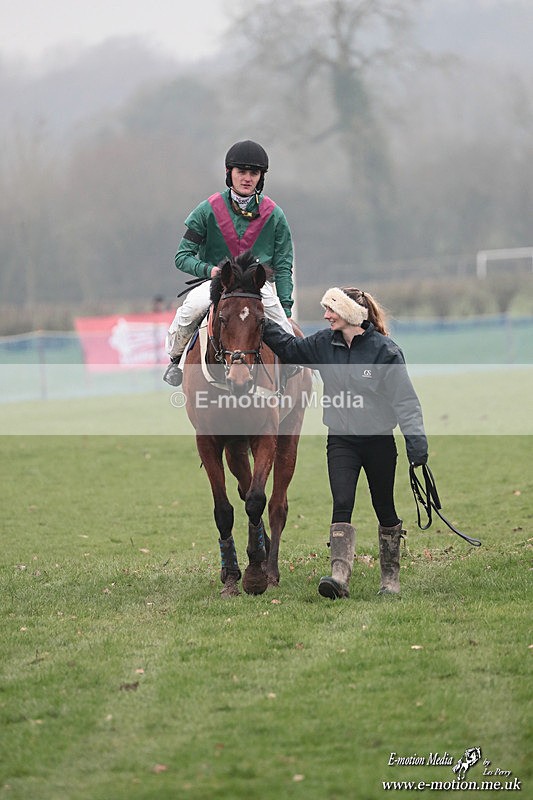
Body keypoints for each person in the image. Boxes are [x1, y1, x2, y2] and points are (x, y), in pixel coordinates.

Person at [261, 286, 428, 599]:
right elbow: (290, 348)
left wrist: (416, 445)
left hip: (378, 442)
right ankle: (339, 576)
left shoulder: (385, 351)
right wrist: (259, 319)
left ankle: (390, 578)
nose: (326, 316)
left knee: (384, 506)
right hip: (341, 441)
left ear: (350, 313)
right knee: (342, 502)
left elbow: (405, 401)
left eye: (331, 310)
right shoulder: (324, 344)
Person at [163, 140, 295, 386]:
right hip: (217, 282)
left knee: (285, 328)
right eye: (241, 172)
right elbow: (182, 256)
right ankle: (175, 359)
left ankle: (290, 371)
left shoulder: (275, 215)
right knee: (190, 310)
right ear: (229, 173)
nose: (247, 178)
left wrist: (286, 307)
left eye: (254, 173)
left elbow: (284, 265)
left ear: (261, 177)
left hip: (257, 287)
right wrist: (209, 270)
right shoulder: (207, 210)